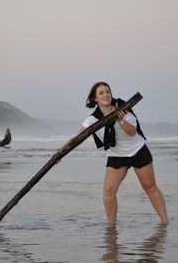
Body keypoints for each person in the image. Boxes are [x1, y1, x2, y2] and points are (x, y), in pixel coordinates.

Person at [57, 82, 168, 227]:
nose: (106, 95)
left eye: (108, 92)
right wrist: (59, 152)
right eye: (101, 93)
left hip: (137, 150)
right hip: (117, 156)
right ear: (94, 98)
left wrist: (121, 120)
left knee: (149, 186)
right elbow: (77, 138)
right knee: (108, 191)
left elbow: (132, 132)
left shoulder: (123, 107)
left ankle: (165, 223)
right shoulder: (92, 119)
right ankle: (111, 227)